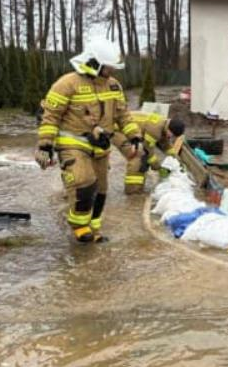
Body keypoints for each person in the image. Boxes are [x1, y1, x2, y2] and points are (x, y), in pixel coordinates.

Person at [35, 39, 142, 243]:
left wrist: (134, 136)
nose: (112, 70)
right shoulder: (67, 84)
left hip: (100, 146)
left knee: (101, 190)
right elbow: (50, 116)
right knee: (84, 182)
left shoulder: (113, 85)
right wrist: (46, 145)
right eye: (108, 67)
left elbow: (123, 115)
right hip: (72, 142)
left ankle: (94, 227)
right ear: (94, 63)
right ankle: (79, 226)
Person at [112, 112, 186, 194]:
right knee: (138, 156)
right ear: (169, 129)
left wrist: (177, 160)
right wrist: (158, 167)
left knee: (144, 159)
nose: (171, 137)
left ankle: (138, 187)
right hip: (118, 130)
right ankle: (133, 191)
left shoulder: (164, 125)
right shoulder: (155, 130)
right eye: (172, 135)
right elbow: (147, 149)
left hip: (131, 130)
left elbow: (165, 145)